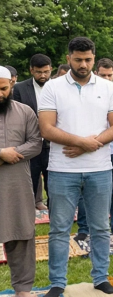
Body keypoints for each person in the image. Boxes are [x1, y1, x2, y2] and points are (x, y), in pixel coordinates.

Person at [37, 37, 113, 297]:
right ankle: (57, 282)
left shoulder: (109, 88)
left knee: (100, 226)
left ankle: (100, 277)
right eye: (78, 60)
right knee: (60, 228)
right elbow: (47, 128)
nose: (83, 64)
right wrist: (81, 142)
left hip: (100, 168)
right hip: (62, 169)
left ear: (94, 59)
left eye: (88, 60)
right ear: (68, 59)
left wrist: (89, 145)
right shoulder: (52, 88)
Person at [0, 66, 43, 297]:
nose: (0, 93)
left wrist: (12, 152)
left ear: (11, 87)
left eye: (3, 88)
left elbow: (36, 143)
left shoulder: (25, 112)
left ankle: (23, 288)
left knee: (21, 233)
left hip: (16, 182)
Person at [76, 58, 113, 239]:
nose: (107, 78)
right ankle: (84, 228)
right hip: (90, 149)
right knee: (85, 191)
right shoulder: (86, 91)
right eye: (103, 75)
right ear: (96, 73)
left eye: (110, 75)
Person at [12, 54, 52, 211]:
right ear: (31, 70)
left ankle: (54, 213)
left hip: (52, 145)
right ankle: (27, 215)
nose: (43, 75)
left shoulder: (57, 87)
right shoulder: (20, 89)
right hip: (29, 144)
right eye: (38, 72)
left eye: (46, 72)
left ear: (51, 69)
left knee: (53, 183)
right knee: (30, 182)